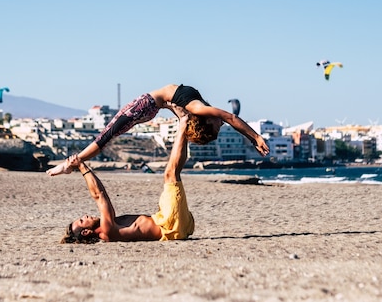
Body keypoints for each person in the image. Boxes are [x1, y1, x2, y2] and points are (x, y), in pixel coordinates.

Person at [47, 84, 269, 176]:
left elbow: (230, 117)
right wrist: (254, 137)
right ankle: (72, 163)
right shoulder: (193, 109)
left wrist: (255, 137)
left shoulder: (199, 109)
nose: (220, 123)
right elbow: (225, 118)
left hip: (146, 106)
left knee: (105, 136)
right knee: (107, 136)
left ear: (206, 122)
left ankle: (69, 164)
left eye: (216, 126)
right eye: (219, 125)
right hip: (151, 108)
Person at [59, 105, 195, 243]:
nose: (85, 215)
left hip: (168, 222)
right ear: (86, 232)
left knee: (173, 173)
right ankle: (184, 120)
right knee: (170, 174)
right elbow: (99, 195)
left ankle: (184, 124)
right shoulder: (107, 229)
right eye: (82, 220)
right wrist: (82, 166)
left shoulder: (109, 230)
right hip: (170, 225)